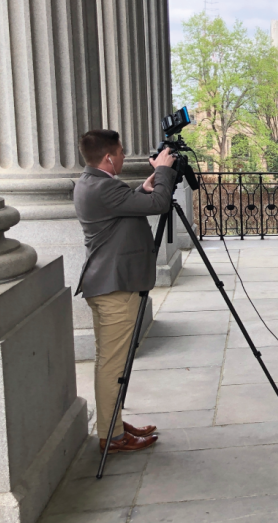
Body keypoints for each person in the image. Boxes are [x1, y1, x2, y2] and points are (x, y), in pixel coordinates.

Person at [73, 129, 176, 454]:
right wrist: (162, 171)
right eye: (120, 152)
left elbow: (120, 204)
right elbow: (160, 204)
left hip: (106, 283)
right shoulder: (102, 187)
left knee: (110, 361)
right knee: (112, 365)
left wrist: (140, 188)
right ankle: (113, 437)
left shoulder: (91, 183)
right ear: (108, 157)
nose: (122, 156)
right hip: (114, 287)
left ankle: (113, 425)